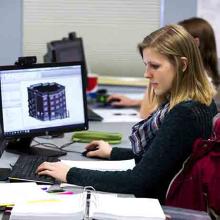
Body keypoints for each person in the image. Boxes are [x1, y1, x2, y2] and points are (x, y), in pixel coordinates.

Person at [37, 24, 217, 204]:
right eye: (146, 65)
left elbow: (137, 181)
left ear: (183, 64)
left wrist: (69, 173)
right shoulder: (201, 100)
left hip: (159, 206)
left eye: (155, 66)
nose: (147, 74)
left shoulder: (185, 113)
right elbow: (162, 157)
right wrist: (113, 152)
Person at [108, 17, 219, 119]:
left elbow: (146, 113)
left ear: (194, 43)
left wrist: (154, 73)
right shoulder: (205, 80)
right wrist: (134, 102)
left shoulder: (186, 107)